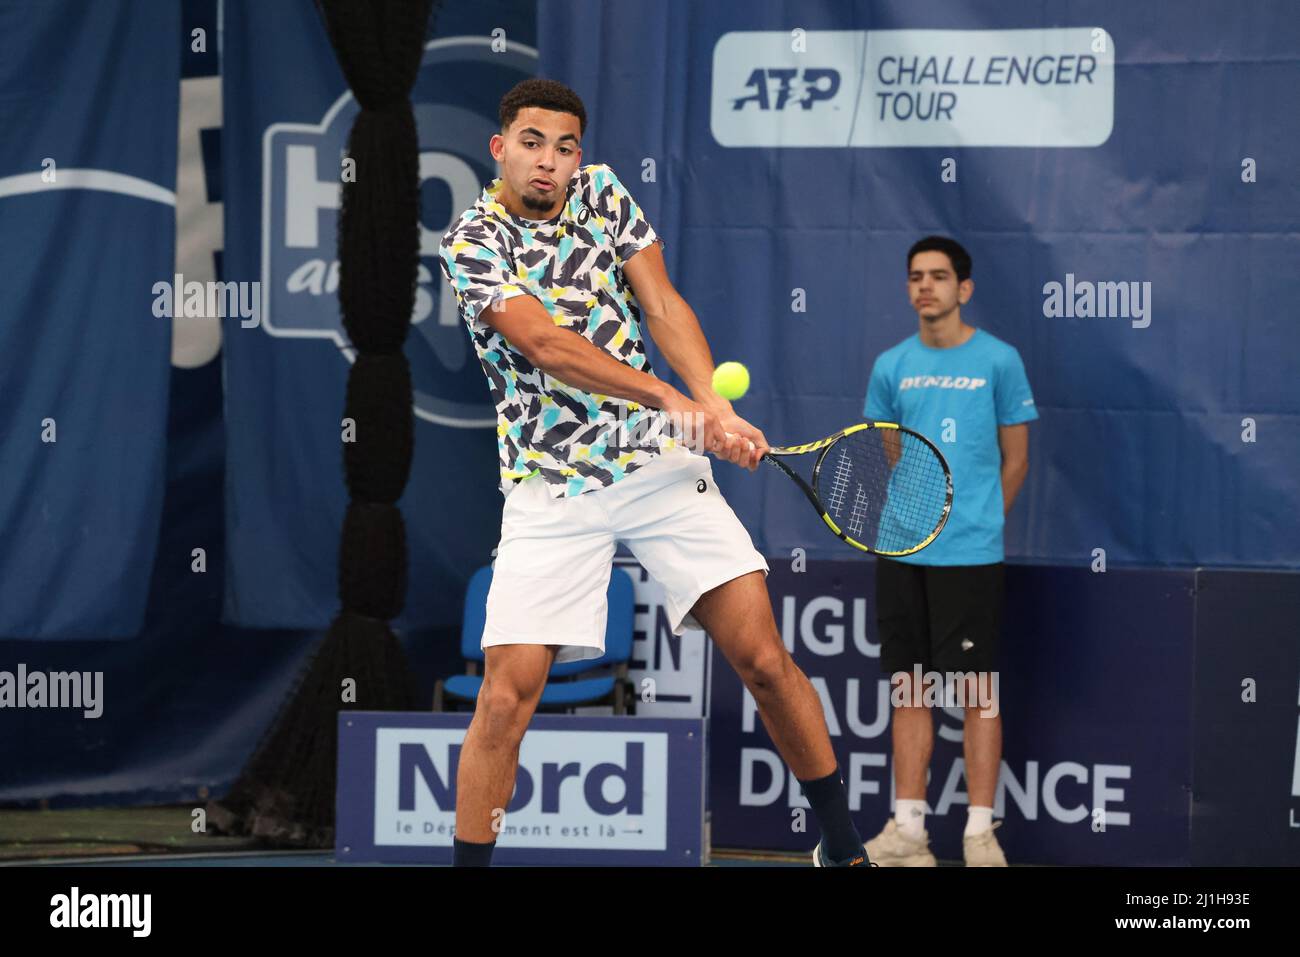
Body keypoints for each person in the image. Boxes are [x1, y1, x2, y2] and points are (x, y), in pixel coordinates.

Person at [437, 77, 871, 867]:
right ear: (499, 148)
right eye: (531, 143)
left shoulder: (601, 194)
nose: (549, 161)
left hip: (657, 468)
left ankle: (844, 849)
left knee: (766, 662)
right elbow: (545, 344)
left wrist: (713, 405)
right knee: (507, 697)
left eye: (565, 147)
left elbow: (662, 303)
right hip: (550, 482)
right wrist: (669, 396)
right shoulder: (471, 239)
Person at [862, 236, 1036, 866]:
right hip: (902, 551)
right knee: (909, 689)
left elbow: (1015, 461)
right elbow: (891, 453)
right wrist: (917, 519)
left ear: (963, 289)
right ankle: (909, 833)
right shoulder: (891, 365)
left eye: (938, 276)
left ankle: (979, 834)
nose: (925, 286)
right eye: (915, 277)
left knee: (977, 693)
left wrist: (977, 524)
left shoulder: (1000, 361)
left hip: (971, 556)